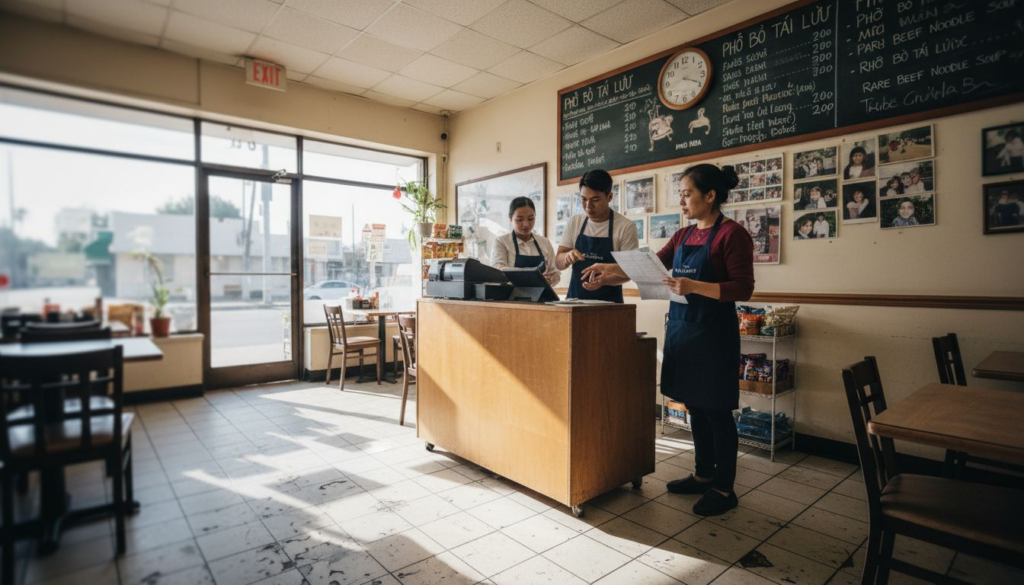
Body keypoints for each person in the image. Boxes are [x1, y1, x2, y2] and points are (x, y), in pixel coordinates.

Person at [583, 164, 754, 516]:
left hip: (714, 335)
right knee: (695, 406)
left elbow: (743, 287)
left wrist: (693, 286)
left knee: (717, 412)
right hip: (683, 331)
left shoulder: (732, 235)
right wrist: (607, 274)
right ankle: (704, 475)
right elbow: (649, 268)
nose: (682, 200)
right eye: (681, 194)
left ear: (710, 196)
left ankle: (724, 489)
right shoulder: (683, 236)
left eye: (687, 193)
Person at [556, 169, 639, 302]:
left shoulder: (625, 227)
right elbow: (558, 263)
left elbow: (630, 271)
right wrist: (567, 256)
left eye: (595, 200)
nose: (588, 206)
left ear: (610, 197)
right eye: (583, 199)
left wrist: (605, 280)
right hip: (574, 303)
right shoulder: (574, 222)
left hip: (609, 306)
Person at [489, 197, 560, 285]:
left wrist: (552, 279)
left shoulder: (545, 242)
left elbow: (555, 272)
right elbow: (498, 270)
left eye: (530, 219)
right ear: (510, 218)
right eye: (519, 220)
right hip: (510, 296)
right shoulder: (501, 242)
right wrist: (533, 276)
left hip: (541, 296)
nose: (526, 224)